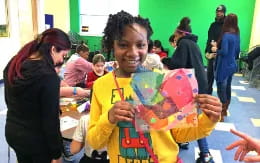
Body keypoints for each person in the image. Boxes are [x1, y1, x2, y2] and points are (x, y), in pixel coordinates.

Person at [87, 11, 222, 163]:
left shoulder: (158, 80)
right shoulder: (101, 85)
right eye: (123, 45)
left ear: (148, 46)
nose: (133, 53)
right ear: (112, 45)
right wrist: (109, 118)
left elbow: (178, 134)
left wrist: (208, 120)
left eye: (140, 45)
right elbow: (94, 142)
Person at [3, 28, 71, 163]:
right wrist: (56, 154)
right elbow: (50, 122)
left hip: (13, 133)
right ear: (53, 49)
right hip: (36, 142)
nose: (61, 61)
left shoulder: (14, 63)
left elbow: (8, 100)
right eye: (63, 55)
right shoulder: (49, 77)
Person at [162, 17, 215, 163]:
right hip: (200, 84)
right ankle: (192, 147)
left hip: (192, 87)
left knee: (189, 118)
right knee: (191, 118)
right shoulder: (193, 44)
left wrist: (164, 60)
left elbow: (177, 64)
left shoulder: (183, 43)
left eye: (175, 36)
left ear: (180, 34)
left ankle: (205, 153)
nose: (175, 39)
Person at [211, 13, 240, 122]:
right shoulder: (237, 35)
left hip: (224, 65)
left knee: (220, 87)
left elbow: (224, 51)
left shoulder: (226, 35)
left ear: (226, 22)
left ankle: (221, 112)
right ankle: (225, 109)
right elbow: (237, 51)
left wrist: (216, 50)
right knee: (227, 86)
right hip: (232, 65)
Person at [205, 4, 226, 95]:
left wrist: (218, 51)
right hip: (211, 56)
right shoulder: (212, 25)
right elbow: (209, 40)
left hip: (221, 56)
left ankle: (223, 101)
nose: (218, 13)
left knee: (221, 81)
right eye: (217, 11)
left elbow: (226, 42)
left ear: (224, 13)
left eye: (220, 12)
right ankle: (207, 96)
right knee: (209, 78)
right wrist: (207, 52)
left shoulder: (227, 27)